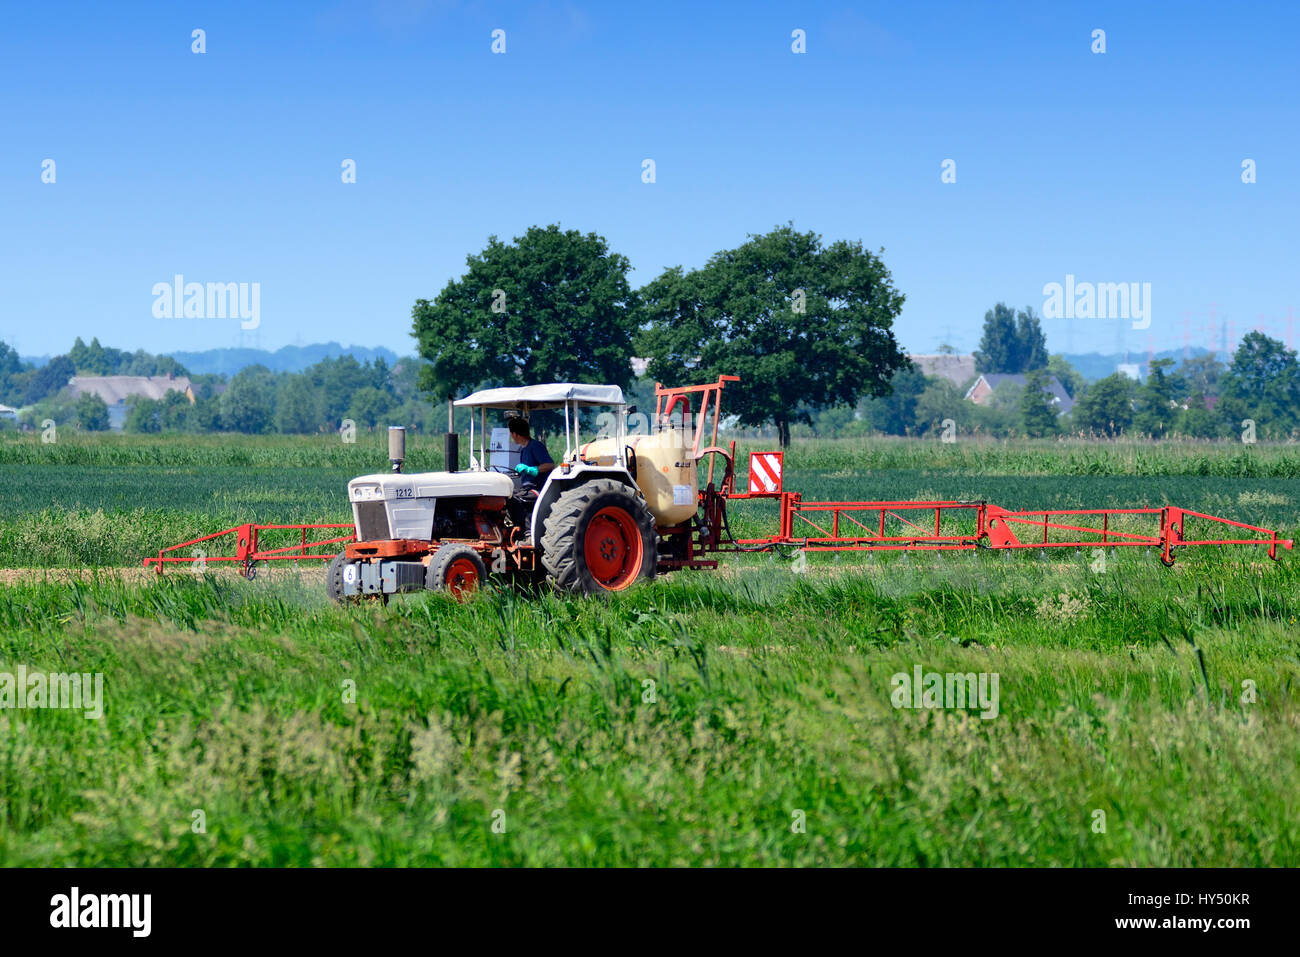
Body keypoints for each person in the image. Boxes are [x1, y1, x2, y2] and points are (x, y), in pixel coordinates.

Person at [506, 416, 555, 531]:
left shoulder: (535, 446)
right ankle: (513, 529)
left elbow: (550, 464)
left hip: (537, 488)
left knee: (517, 499)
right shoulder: (523, 449)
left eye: (511, 433)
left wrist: (531, 470)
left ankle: (527, 532)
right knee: (507, 495)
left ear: (515, 434)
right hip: (526, 488)